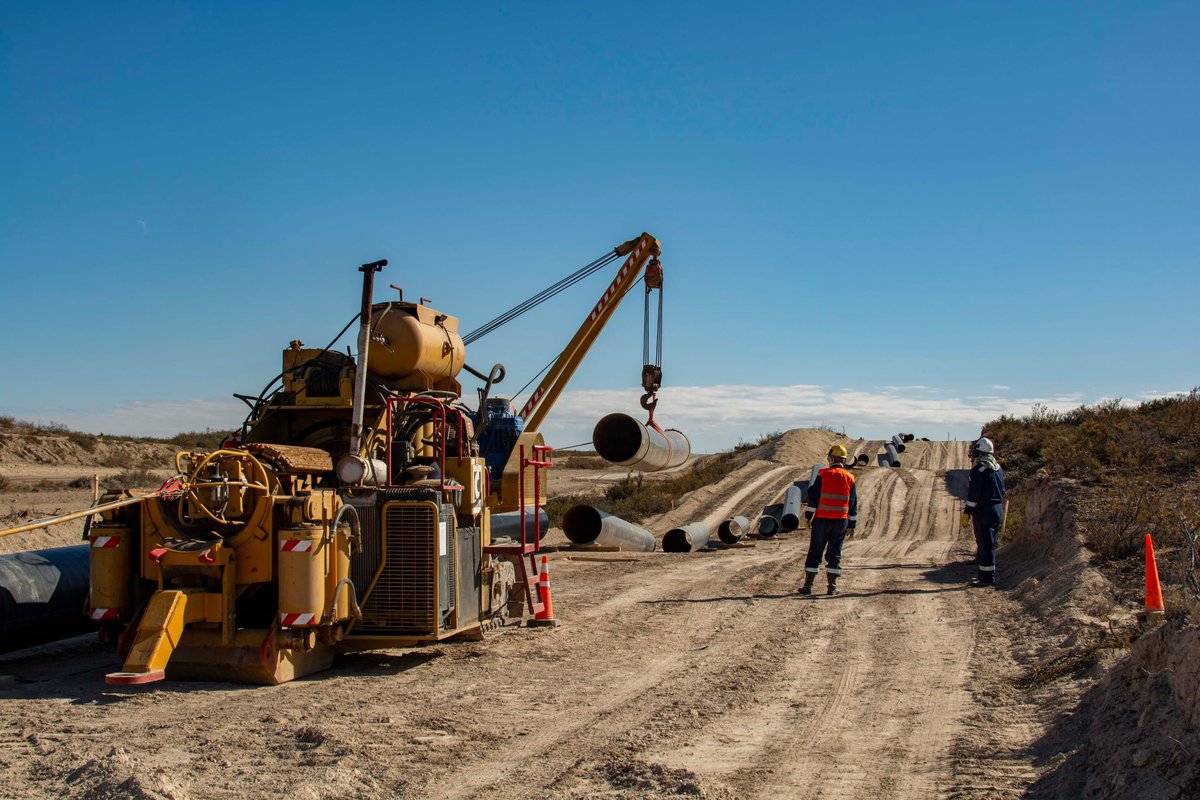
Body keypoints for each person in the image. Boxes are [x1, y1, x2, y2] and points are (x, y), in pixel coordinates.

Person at [799, 444, 859, 596]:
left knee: (815, 551)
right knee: (835, 552)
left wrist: (808, 517)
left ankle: (808, 586)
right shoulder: (850, 478)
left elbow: (814, 497)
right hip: (841, 522)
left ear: (831, 459)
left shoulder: (823, 474)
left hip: (822, 520)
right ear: (844, 460)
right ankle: (832, 587)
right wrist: (852, 524)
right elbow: (853, 504)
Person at [962, 436, 1005, 587]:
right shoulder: (998, 469)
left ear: (980, 452)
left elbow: (974, 495)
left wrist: (967, 512)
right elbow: (1002, 490)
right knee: (990, 543)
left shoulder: (979, 471)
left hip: (984, 511)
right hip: (997, 509)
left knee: (985, 544)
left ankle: (986, 578)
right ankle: (985, 575)